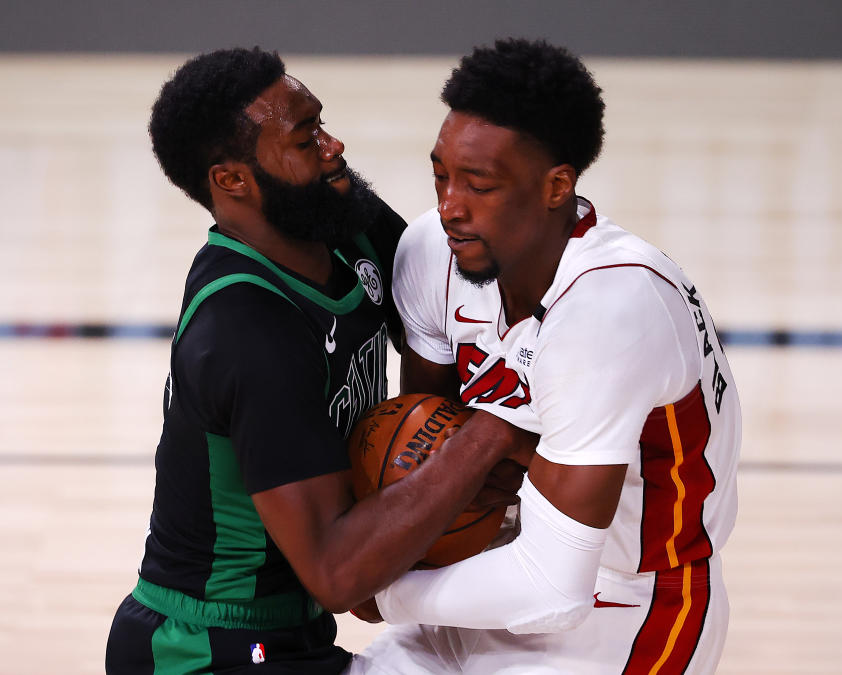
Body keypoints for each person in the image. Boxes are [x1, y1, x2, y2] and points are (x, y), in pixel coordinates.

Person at [105, 47, 531, 674]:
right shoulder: (248, 329)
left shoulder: (342, 224)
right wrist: (495, 427)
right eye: (306, 139)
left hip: (292, 631)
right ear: (232, 180)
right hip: (205, 651)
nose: (333, 146)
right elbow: (339, 574)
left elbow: (459, 293)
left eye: (321, 123)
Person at [350, 38, 742, 673]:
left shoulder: (611, 306)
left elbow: (557, 591)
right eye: (440, 176)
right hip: (484, 564)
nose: (450, 207)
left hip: (629, 602)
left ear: (557, 185)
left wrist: (385, 589)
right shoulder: (430, 250)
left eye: (479, 185)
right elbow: (427, 436)